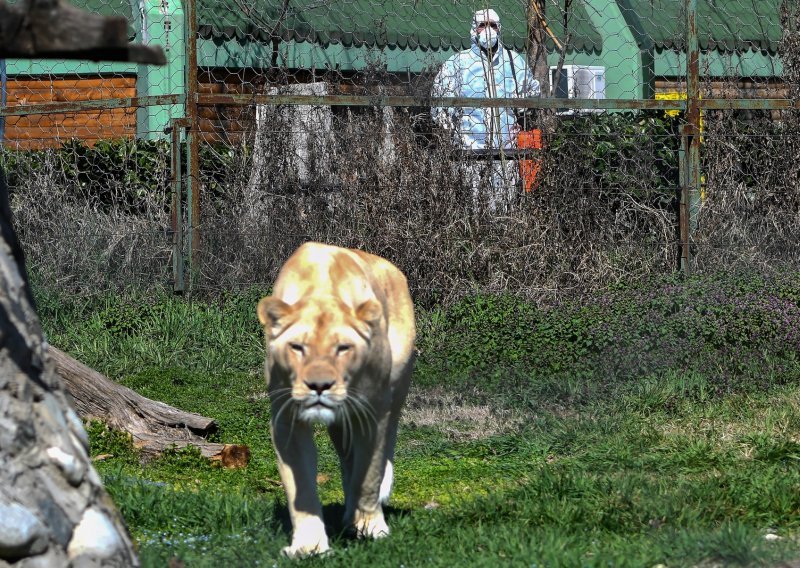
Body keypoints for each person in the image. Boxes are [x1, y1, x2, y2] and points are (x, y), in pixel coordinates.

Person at [431, 8, 540, 210]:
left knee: (504, 206)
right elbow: (439, 103)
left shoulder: (513, 61)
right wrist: (453, 132)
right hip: (468, 153)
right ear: (474, 29)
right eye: (483, 25)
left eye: (493, 25)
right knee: (471, 207)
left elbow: (531, 94)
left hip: (506, 153)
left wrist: (521, 110)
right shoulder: (457, 64)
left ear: (500, 29)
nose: (488, 30)